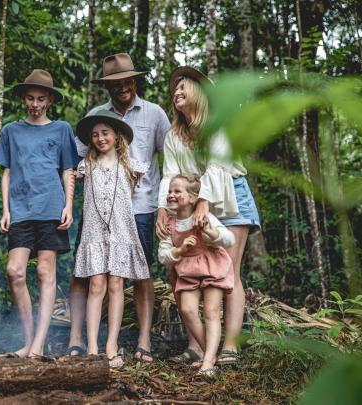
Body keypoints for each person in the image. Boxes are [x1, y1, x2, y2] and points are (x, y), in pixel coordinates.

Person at [68, 53, 171, 362]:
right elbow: (76, 162)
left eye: (126, 80)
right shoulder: (96, 117)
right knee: (87, 272)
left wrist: (170, 204)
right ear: (107, 87)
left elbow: (173, 156)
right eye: (115, 83)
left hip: (140, 208)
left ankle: (143, 341)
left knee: (139, 274)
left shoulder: (154, 114)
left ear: (134, 80)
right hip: (97, 213)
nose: (122, 86)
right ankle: (80, 340)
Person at [157, 66, 261, 366]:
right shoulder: (174, 135)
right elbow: (170, 175)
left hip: (230, 197)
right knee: (182, 270)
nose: (176, 91)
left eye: (183, 87)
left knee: (227, 272)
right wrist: (164, 210)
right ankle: (198, 346)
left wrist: (204, 203)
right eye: (174, 88)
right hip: (190, 203)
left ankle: (229, 346)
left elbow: (218, 166)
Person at [0, 69, 78, 358]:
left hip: (50, 208)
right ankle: (28, 340)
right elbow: (6, 172)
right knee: (14, 271)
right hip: (20, 209)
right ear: (23, 99)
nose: (35, 104)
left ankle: (39, 345)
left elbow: (69, 169)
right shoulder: (11, 131)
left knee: (45, 271)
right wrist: (6, 210)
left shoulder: (61, 129)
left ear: (49, 100)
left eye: (41, 99)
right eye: (30, 98)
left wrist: (68, 205)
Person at [73, 110, 150, 368]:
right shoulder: (86, 165)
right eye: (95, 135)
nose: (100, 138)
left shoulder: (131, 166)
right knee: (96, 284)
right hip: (94, 232)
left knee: (117, 283)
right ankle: (93, 346)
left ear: (117, 135)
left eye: (105, 133)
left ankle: (111, 345)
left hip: (120, 230)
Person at [158, 174, 235, 376]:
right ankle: (210, 353)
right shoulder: (170, 223)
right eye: (170, 191)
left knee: (211, 312)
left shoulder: (204, 217)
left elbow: (229, 239)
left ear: (192, 198)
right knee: (188, 309)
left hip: (212, 267)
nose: (171, 195)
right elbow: (163, 256)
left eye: (177, 191)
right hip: (188, 271)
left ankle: (208, 361)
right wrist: (179, 251)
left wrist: (211, 233)